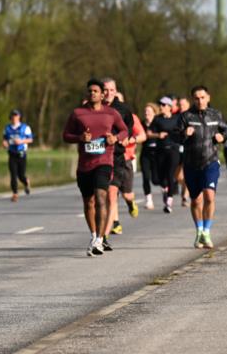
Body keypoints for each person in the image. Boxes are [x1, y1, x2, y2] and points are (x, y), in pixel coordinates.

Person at [62, 79, 128, 257]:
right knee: (88, 202)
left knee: (101, 197)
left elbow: (124, 130)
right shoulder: (77, 113)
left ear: (102, 94)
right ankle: (93, 235)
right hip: (84, 165)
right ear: (87, 94)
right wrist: (80, 138)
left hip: (104, 162)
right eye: (90, 91)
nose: (93, 94)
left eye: (96, 91)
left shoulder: (111, 113)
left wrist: (115, 138)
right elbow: (66, 135)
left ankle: (100, 238)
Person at [177, 85, 227, 249]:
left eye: (203, 97)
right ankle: (199, 231)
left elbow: (226, 131)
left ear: (208, 97)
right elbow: (176, 136)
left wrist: (222, 137)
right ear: (193, 99)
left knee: (209, 196)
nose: (200, 101)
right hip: (191, 164)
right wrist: (185, 134)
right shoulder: (186, 116)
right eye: (197, 98)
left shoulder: (216, 115)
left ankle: (206, 231)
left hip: (210, 161)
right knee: (196, 200)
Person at [100, 79, 145, 237]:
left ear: (115, 90)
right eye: (105, 89)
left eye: (112, 89)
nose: (108, 93)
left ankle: (103, 236)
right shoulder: (94, 108)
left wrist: (125, 138)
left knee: (117, 194)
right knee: (102, 197)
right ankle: (109, 226)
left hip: (120, 157)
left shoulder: (124, 110)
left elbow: (132, 131)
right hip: (98, 158)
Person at [148, 96, 181, 213]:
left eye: (163, 105)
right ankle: (165, 190)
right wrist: (158, 135)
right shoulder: (157, 119)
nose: (161, 107)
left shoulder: (177, 119)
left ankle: (169, 202)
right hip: (160, 150)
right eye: (160, 105)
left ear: (169, 107)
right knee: (160, 178)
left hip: (173, 150)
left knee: (170, 174)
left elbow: (183, 132)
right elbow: (148, 133)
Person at [2, 109, 33, 202]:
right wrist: (5, 144)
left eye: (16, 115)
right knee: (13, 174)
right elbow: (4, 139)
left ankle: (26, 182)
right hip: (12, 153)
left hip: (21, 153)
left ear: (19, 117)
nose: (14, 117)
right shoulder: (7, 128)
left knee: (21, 175)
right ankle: (15, 193)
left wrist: (21, 141)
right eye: (13, 116)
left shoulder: (25, 127)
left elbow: (30, 139)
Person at [139, 103, 160, 209]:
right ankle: (149, 200)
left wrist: (154, 135)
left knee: (156, 180)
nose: (146, 113)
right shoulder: (141, 123)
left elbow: (165, 134)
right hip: (145, 153)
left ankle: (166, 189)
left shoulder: (158, 123)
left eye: (149, 111)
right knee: (146, 177)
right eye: (145, 111)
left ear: (154, 113)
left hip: (157, 153)